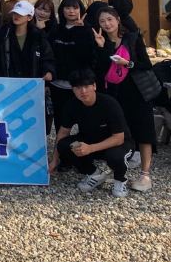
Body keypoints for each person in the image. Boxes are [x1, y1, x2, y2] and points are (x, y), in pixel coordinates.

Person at [93, 6, 156, 192]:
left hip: (138, 91)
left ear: (118, 19)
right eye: (102, 21)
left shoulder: (133, 38)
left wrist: (128, 63)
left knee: (144, 131)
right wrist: (102, 47)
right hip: (115, 94)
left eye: (109, 19)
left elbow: (146, 64)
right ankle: (119, 169)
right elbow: (100, 70)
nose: (107, 24)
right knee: (120, 131)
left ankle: (145, 174)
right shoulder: (103, 42)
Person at [49, 69, 136, 198]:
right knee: (64, 145)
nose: (83, 91)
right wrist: (54, 160)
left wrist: (90, 148)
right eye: (78, 87)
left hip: (117, 143)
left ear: (94, 86)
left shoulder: (109, 103)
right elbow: (63, 132)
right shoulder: (71, 105)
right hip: (90, 140)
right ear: (73, 90)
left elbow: (118, 138)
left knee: (116, 156)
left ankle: (120, 179)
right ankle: (95, 174)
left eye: (86, 86)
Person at [46, 0, 94, 138]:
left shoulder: (87, 30)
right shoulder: (55, 30)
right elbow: (49, 56)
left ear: (81, 10)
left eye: (75, 7)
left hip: (80, 84)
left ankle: (85, 150)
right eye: (67, 8)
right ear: (62, 10)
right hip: (58, 83)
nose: (71, 11)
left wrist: (80, 30)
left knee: (84, 121)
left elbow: (87, 55)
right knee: (60, 121)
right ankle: (61, 149)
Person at [0, 1, 56, 82]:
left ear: (29, 17)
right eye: (15, 13)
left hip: (31, 84)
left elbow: (47, 58)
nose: (16, 16)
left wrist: (48, 71)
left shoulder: (38, 36)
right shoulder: (2, 35)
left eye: (21, 14)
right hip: (6, 84)